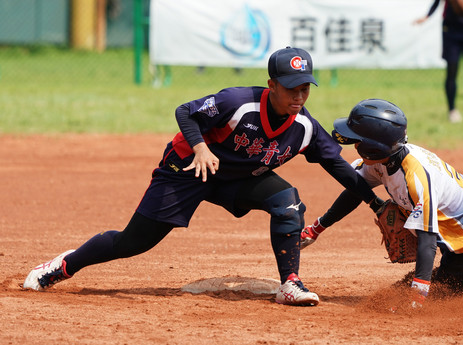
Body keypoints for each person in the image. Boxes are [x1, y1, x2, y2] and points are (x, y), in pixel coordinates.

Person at [22, 46, 383, 307]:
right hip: (187, 170)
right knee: (133, 243)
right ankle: (61, 266)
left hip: (237, 180)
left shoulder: (304, 128)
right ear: (271, 84)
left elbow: (339, 168)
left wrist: (376, 205)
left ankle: (290, 283)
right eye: (291, 88)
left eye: (305, 88)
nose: (299, 96)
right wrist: (200, 147)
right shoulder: (237, 103)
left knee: (288, 203)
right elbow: (186, 112)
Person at [300, 98, 463, 307]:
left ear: (373, 148)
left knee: (446, 295)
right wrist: (318, 227)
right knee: (447, 284)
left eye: (357, 141)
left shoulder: (415, 178)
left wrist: (419, 292)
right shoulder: (383, 160)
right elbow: (354, 190)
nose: (353, 145)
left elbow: (427, 239)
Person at [414, 0, 463, 124]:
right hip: (451, 29)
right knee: (451, 71)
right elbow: (437, 2)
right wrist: (427, 16)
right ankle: (452, 111)